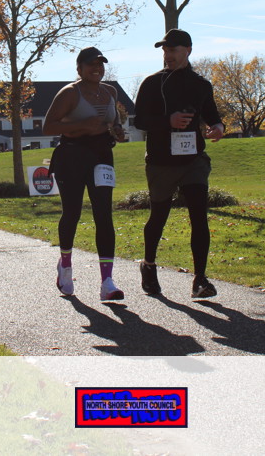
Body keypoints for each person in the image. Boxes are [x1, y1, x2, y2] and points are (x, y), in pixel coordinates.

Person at [133, 29, 225, 299]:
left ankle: (200, 279)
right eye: (165, 50)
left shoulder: (201, 85)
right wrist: (168, 121)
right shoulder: (152, 83)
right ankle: (149, 265)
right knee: (159, 216)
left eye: (172, 50)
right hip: (161, 161)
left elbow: (212, 114)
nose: (167, 55)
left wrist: (218, 126)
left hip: (193, 160)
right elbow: (140, 121)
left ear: (188, 51)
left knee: (199, 215)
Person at [44, 47, 127, 301]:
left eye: (100, 64)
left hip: (102, 156)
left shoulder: (110, 91)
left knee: (104, 215)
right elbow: (48, 127)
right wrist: (82, 125)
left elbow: (115, 121)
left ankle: (107, 282)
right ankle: (65, 266)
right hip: (72, 156)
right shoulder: (70, 93)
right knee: (72, 213)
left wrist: (117, 130)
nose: (97, 69)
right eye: (91, 64)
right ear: (79, 69)